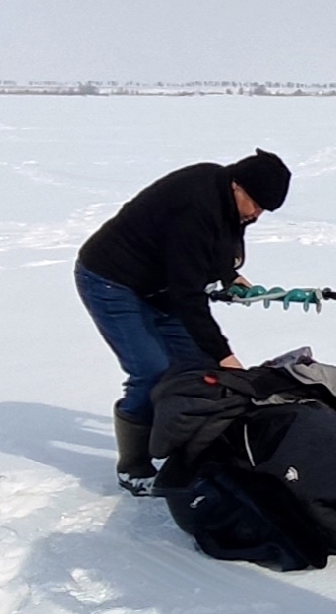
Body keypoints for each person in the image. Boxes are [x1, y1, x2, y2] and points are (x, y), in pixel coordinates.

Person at [76, 150, 293, 493]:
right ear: (237, 185)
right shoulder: (195, 205)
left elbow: (211, 247)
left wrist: (227, 274)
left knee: (198, 368)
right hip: (111, 280)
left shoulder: (225, 198)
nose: (256, 214)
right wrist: (225, 355)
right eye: (255, 203)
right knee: (151, 370)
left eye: (264, 210)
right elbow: (187, 295)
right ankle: (133, 466)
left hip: (159, 287)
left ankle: (186, 448)